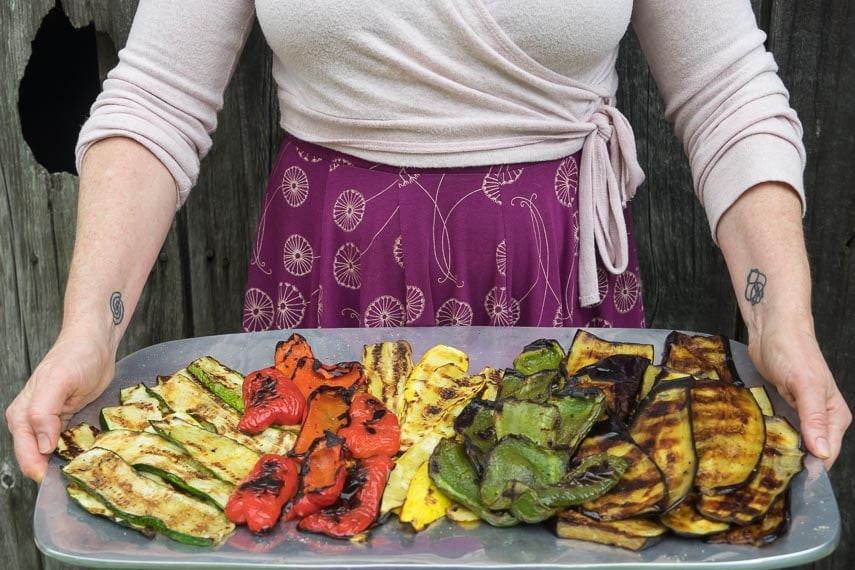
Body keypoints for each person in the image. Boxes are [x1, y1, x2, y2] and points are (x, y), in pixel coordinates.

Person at [6, 1, 850, 482]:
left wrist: (783, 321)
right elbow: (157, 98)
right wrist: (92, 326)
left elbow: (726, 91)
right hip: (331, 285)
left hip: (550, 293)